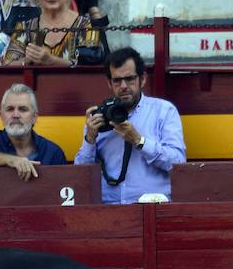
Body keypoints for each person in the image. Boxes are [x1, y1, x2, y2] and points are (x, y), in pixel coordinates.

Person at [74, 47, 186, 204]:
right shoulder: (100, 116)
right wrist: (90, 138)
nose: (124, 86)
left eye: (130, 79)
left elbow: (178, 164)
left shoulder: (163, 111)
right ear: (109, 83)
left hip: (153, 208)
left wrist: (139, 141)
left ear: (143, 79)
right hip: (108, 209)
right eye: (117, 80)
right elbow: (80, 175)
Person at [3, 0, 105, 66]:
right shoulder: (25, 27)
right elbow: (8, 64)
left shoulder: (85, 25)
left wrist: (51, 60)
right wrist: (27, 60)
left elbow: (91, 61)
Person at [0, 83, 66, 180]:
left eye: (23, 109)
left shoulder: (53, 152)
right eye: (10, 109)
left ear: (34, 117)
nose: (15, 115)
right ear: (2, 117)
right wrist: (12, 160)